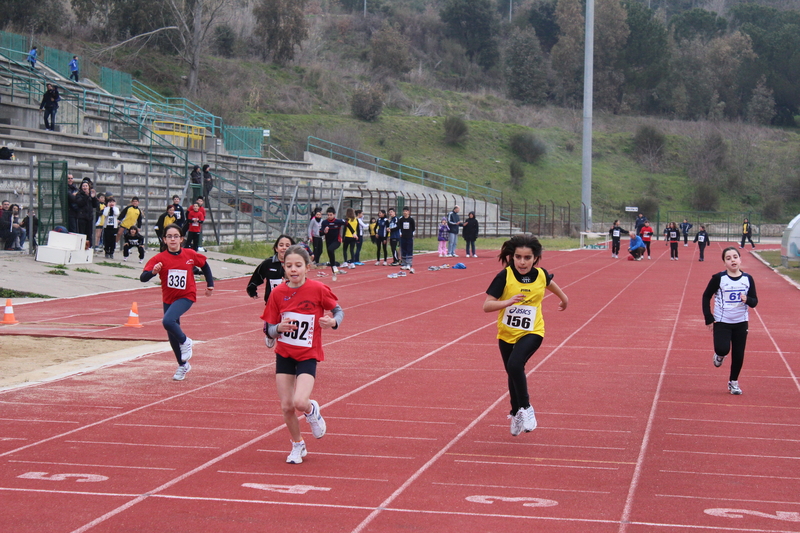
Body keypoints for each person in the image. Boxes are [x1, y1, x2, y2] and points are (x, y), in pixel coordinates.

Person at [260, 244, 344, 464]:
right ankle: (298, 445)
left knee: (300, 401)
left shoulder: (318, 289)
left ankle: (311, 409)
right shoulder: (278, 293)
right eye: (289, 266)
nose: (293, 270)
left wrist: (333, 322)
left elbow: (338, 310)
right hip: (285, 354)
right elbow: (268, 329)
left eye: (298, 265)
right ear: (284, 268)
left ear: (307, 267)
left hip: (308, 354)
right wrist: (278, 329)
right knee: (287, 406)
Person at [483, 234, 569, 436]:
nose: (522, 262)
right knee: (512, 372)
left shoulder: (541, 274)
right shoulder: (504, 276)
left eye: (527, 258)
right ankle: (515, 413)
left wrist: (564, 299)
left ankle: (527, 408)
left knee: (515, 365)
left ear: (535, 258)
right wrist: (506, 302)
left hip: (533, 331)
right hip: (506, 334)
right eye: (518, 257)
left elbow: (550, 284)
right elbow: (487, 305)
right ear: (512, 257)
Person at [140, 224, 214, 381]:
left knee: (168, 321)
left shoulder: (190, 254)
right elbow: (143, 278)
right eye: (169, 236)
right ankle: (182, 365)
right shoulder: (159, 259)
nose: (172, 239)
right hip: (168, 298)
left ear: (181, 239)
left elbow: (205, 266)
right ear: (164, 240)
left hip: (186, 295)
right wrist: (153, 272)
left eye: (175, 236)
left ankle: (185, 340)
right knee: (171, 332)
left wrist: (210, 284)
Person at [702, 247, 758, 395]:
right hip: (722, 321)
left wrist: (747, 299)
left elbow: (754, 302)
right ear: (724, 263)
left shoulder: (747, 279)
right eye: (728, 258)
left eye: (735, 257)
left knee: (739, 354)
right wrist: (708, 316)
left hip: (741, 322)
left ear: (740, 259)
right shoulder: (719, 279)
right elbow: (706, 296)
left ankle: (733, 382)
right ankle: (719, 355)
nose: (732, 260)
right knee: (722, 348)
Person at [246, 235, 295, 348]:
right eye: (281, 245)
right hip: (272, 302)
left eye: (287, 245)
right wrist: (252, 290)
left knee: (288, 325)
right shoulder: (268, 263)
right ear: (276, 248)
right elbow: (257, 276)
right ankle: (269, 334)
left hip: (291, 302)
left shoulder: (295, 264)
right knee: (271, 328)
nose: (284, 248)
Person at [320, 206, 345, 281]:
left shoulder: (338, 221)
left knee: (331, 250)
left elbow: (348, 224)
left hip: (337, 241)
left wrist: (353, 233)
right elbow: (320, 233)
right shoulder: (325, 222)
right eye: (328, 215)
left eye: (331, 215)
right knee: (330, 255)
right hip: (328, 242)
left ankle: (334, 267)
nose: (329, 216)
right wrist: (325, 231)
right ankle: (334, 272)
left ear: (334, 214)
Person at [74, 181, 98, 248]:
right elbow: (80, 203)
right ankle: (81, 247)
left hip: (89, 217)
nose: (85, 187)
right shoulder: (79, 195)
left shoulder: (90, 195)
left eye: (86, 186)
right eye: (83, 186)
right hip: (82, 217)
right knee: (82, 233)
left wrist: (93, 198)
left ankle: (89, 247)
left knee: (89, 234)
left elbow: (95, 205)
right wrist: (86, 196)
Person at [398, 206, 415, 273]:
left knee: (409, 249)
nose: (405, 212)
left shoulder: (411, 220)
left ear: (408, 212)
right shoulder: (401, 219)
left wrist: (411, 234)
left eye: (406, 211)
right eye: (404, 211)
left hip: (409, 236)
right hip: (403, 236)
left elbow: (413, 228)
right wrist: (400, 233)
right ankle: (404, 263)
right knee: (403, 249)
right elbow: (399, 227)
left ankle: (409, 263)